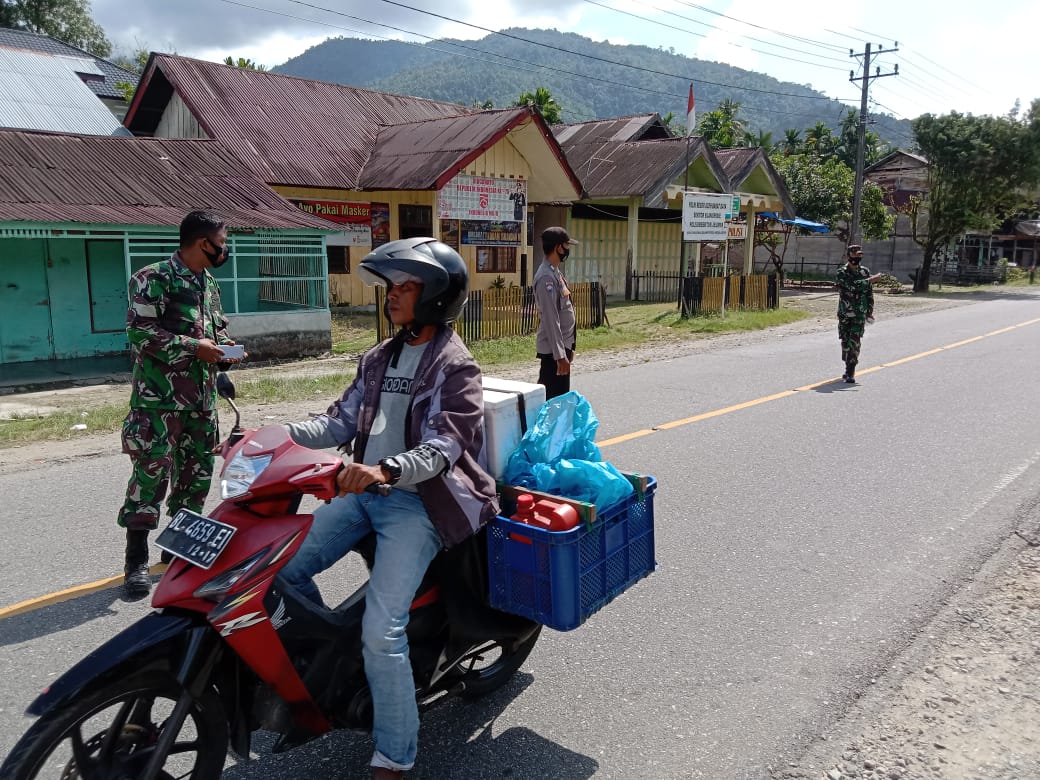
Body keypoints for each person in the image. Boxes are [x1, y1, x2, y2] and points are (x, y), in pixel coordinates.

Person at [279, 237, 498, 780]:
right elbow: (337, 422)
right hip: (364, 494)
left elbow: (446, 446)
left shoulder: (456, 367)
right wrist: (275, 435)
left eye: (405, 287)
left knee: (382, 630)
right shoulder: (379, 357)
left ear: (436, 295)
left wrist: (387, 470)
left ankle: (395, 755)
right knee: (279, 569)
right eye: (391, 286)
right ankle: (328, 660)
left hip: (418, 506)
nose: (392, 296)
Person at [117, 209, 244, 599]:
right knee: (150, 478)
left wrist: (225, 352)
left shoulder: (208, 283)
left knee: (195, 479)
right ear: (203, 242)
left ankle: (178, 552)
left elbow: (214, 331)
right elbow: (140, 332)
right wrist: (194, 347)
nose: (225, 250)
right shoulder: (152, 278)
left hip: (202, 403)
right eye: (221, 243)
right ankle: (136, 562)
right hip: (158, 404)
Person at [534, 226, 578, 399]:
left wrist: (570, 347)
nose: (567, 250)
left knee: (558, 399)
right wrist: (560, 355)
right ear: (558, 248)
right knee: (553, 401)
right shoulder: (546, 277)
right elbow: (551, 319)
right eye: (566, 245)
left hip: (560, 348)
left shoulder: (554, 272)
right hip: (553, 353)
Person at [835, 244, 881, 384]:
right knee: (845, 342)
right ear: (848, 256)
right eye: (854, 255)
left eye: (859, 255)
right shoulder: (842, 272)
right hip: (845, 313)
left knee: (854, 342)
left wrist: (869, 311)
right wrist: (870, 280)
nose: (857, 258)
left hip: (859, 313)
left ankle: (850, 371)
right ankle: (847, 364)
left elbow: (869, 293)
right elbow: (851, 286)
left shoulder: (864, 271)